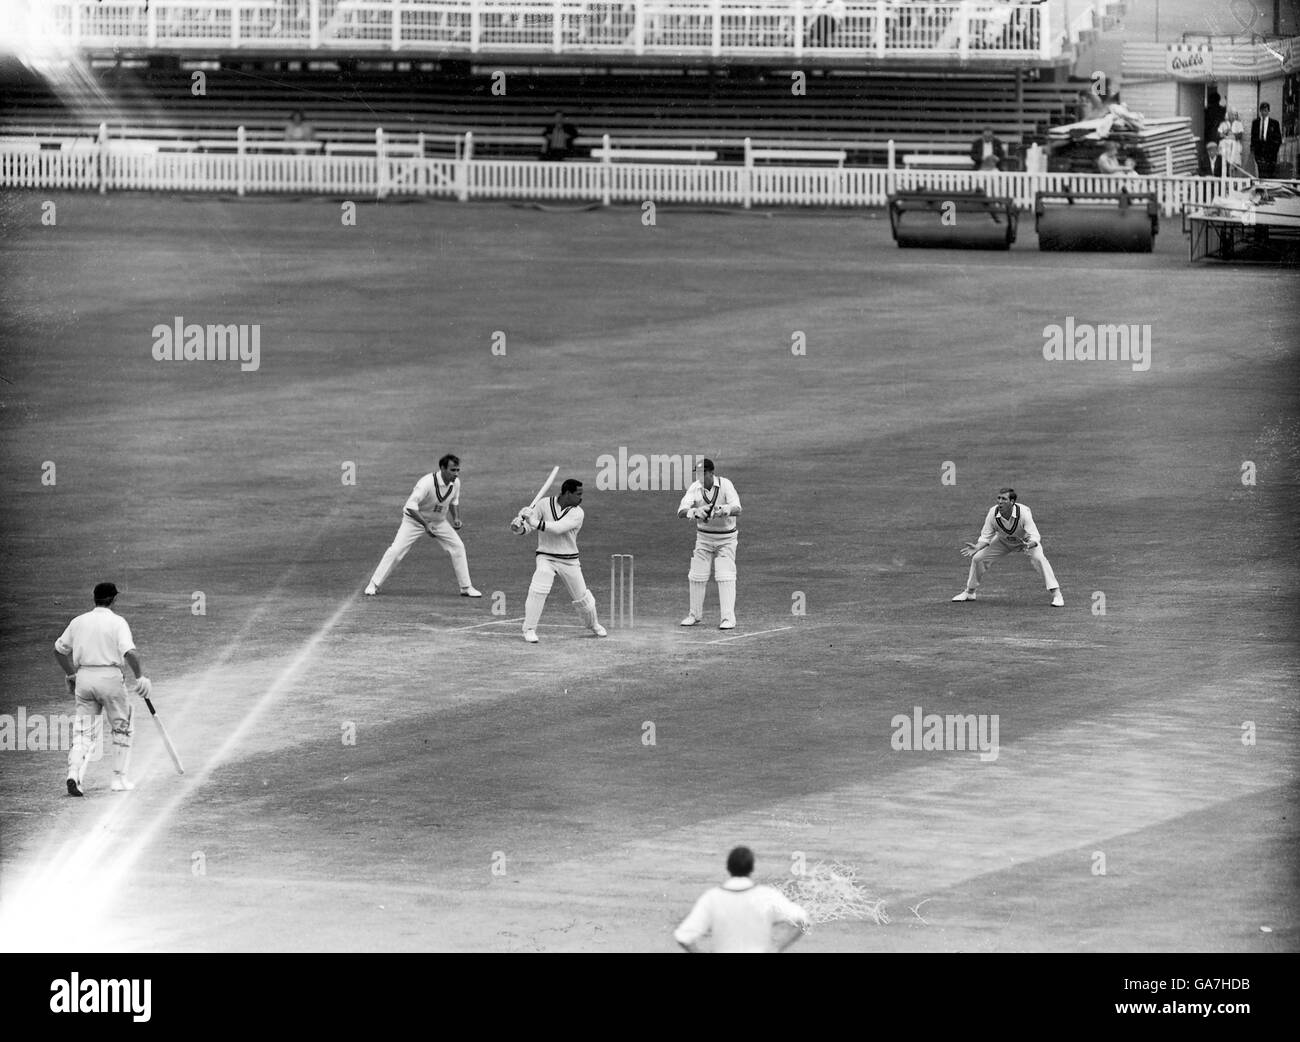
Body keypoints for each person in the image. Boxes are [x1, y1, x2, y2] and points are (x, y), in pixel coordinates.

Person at [52, 582, 152, 795]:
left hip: (84, 679)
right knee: (122, 727)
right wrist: (140, 677)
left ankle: (74, 774)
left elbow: (59, 650)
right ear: (114, 600)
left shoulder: (78, 622)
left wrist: (71, 674)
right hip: (110, 678)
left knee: (83, 733)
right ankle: (118, 779)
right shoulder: (117, 622)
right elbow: (130, 653)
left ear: (94, 598)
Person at [365, 454, 482, 599]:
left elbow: (454, 500)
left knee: (458, 546)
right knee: (396, 550)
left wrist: (456, 518)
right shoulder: (426, 483)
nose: (456, 474)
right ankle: (374, 584)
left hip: (438, 522)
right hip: (414, 521)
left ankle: (466, 587)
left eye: (458, 470)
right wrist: (425, 525)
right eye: (453, 470)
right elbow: (410, 506)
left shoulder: (456, 483)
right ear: (442, 469)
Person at [511, 478, 606, 643]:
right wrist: (519, 527)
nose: (581, 498)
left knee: (583, 599)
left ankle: (593, 624)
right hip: (545, 556)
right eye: (578, 494)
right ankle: (529, 629)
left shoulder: (578, 513)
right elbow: (528, 529)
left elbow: (557, 528)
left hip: (569, 560)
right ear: (567, 493)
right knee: (539, 584)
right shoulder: (543, 504)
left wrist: (531, 520)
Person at [674, 846, 810, 953]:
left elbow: (683, 937)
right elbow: (803, 922)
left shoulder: (712, 898)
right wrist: (777, 948)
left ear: (728, 868)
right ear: (752, 868)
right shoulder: (766, 896)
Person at [953, 488, 1063, 607]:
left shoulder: (1023, 513)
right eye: (998, 498)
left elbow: (1035, 536)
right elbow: (986, 537)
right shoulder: (993, 513)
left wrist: (1029, 544)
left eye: (1004, 499)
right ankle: (970, 592)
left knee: (1039, 559)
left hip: (1025, 542)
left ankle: (1057, 595)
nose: (1000, 502)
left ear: (1012, 502)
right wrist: (977, 547)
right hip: (1003, 541)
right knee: (978, 558)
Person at [676, 458, 742, 630]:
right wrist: (694, 511)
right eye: (697, 474)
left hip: (726, 539)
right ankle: (694, 615)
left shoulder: (725, 485)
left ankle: (728, 619)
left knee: (725, 575)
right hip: (704, 538)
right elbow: (680, 511)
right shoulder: (695, 488)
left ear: (712, 473)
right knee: (696, 575)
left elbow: (738, 508)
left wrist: (724, 510)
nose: (700, 477)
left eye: (703, 473)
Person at [1250, 102, 1282, 178]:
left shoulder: (1274, 123)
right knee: (1261, 171)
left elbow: (1278, 138)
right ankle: (1262, 187)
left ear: (1268, 111)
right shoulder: (1255, 122)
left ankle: (1269, 187)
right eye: (1262, 110)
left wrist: (1275, 150)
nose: (1264, 112)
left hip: (1270, 151)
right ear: (1260, 111)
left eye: (1266, 110)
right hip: (1259, 150)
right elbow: (1253, 136)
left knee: (1270, 171)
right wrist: (1253, 148)